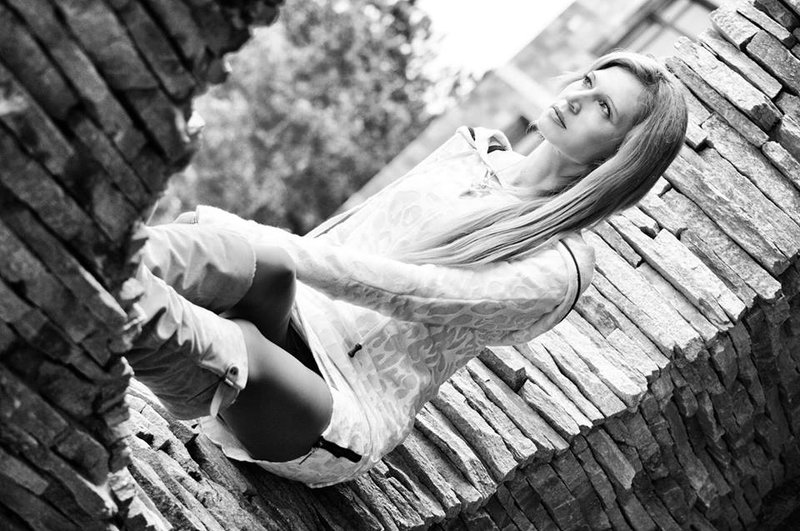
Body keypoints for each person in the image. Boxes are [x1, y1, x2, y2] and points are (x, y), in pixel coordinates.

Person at [126, 50, 688, 487]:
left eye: (604, 108)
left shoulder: (560, 267)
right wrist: (240, 246)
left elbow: (414, 291)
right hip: (295, 316)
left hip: (334, 407)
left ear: (619, 159)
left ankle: (113, 294)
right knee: (239, 255)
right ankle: (103, 256)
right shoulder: (473, 149)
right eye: (587, 81)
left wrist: (250, 236)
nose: (577, 97)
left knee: (234, 337)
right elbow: (344, 233)